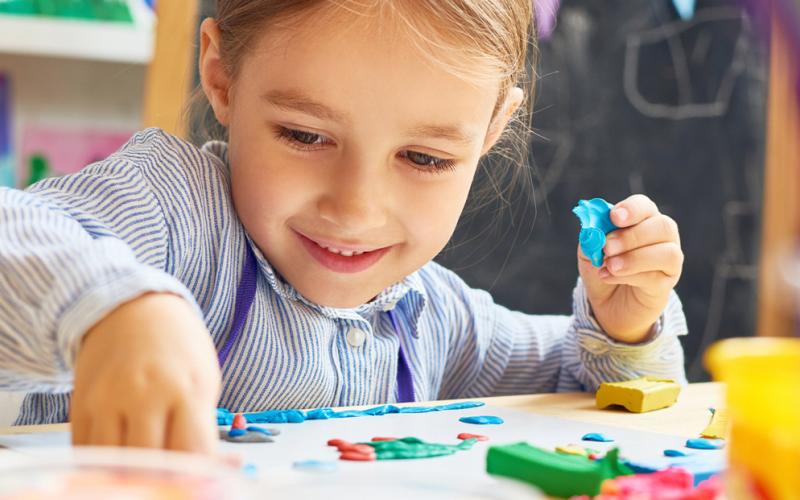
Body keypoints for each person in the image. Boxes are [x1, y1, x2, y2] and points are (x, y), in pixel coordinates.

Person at [0, 0, 686, 454]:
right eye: (305, 135)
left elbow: (574, 383)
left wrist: (623, 326)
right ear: (222, 77)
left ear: (491, 132)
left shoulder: (427, 313)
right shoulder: (174, 211)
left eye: (424, 158)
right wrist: (114, 313)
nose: (356, 209)